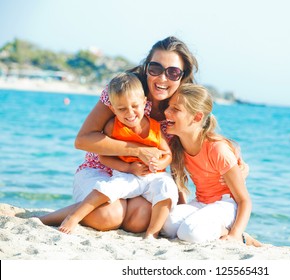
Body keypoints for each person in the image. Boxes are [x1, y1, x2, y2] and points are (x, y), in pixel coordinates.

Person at [39, 36, 198, 232]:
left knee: (139, 220)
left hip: (141, 179)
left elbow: (183, 154)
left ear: (182, 76)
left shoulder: (181, 108)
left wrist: (232, 155)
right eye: (155, 68)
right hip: (100, 170)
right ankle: (45, 218)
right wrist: (138, 150)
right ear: (146, 68)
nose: (162, 78)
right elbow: (82, 140)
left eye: (173, 72)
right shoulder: (122, 92)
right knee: (109, 216)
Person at [58, 72, 178, 238]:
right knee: (109, 188)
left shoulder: (155, 127)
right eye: (122, 109)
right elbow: (103, 157)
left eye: (135, 106)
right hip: (127, 174)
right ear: (113, 109)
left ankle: (153, 233)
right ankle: (73, 216)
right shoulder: (113, 127)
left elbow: (168, 154)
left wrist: (161, 164)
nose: (129, 113)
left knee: (167, 187)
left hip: (152, 176)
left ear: (144, 103)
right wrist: (129, 167)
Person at [161, 84, 261, 247]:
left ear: (197, 117)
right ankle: (203, 226)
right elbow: (178, 185)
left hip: (227, 205)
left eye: (175, 109)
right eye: (168, 107)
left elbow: (244, 200)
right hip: (202, 202)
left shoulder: (217, 149)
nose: (166, 112)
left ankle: (240, 236)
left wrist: (235, 235)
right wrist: (183, 213)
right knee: (166, 223)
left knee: (189, 233)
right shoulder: (176, 146)